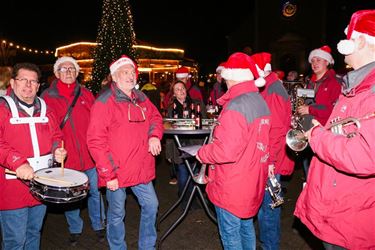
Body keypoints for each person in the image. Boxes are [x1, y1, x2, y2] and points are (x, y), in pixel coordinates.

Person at [295, 9, 375, 249]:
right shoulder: (355, 83)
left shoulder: (349, 84)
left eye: (350, 37)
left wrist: (315, 130)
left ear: (361, 40)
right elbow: (342, 130)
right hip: (338, 204)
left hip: (351, 213)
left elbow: (363, 155)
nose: (313, 62)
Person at [87, 55, 163, 249]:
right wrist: (107, 174)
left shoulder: (142, 98)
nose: (131, 76)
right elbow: (95, 141)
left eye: (132, 72)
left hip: (141, 168)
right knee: (116, 214)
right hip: (117, 172)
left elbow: (155, 117)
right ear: (115, 76)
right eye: (125, 72)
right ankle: (117, 247)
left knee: (151, 205)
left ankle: (147, 245)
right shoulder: (104, 102)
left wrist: (154, 135)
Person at [196, 52, 271, 249]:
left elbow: (226, 152)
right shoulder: (259, 101)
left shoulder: (236, 105)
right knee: (246, 228)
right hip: (251, 179)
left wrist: (202, 152)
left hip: (232, 183)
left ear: (232, 77)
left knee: (231, 236)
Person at [0, 62, 66, 249]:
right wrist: (18, 163)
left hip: (41, 184)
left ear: (38, 86)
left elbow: (56, 136)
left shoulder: (45, 108)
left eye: (33, 81)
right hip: (12, 187)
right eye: (23, 80)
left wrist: (57, 150)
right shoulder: (2, 108)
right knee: (15, 241)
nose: (28, 85)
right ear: (12, 83)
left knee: (34, 233)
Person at [41, 56, 105, 245]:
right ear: (56, 73)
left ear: (77, 73)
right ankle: (75, 228)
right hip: (65, 158)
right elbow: (45, 129)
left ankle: (99, 225)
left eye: (72, 69)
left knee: (95, 192)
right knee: (71, 197)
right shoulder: (47, 97)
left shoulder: (86, 94)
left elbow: (97, 123)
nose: (68, 72)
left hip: (90, 157)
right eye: (64, 69)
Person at [252, 52, 295, 250]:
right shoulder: (269, 87)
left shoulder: (273, 90)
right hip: (269, 157)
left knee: (269, 208)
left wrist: (269, 161)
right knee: (265, 206)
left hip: (271, 159)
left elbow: (276, 131)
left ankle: (270, 246)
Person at [297, 45, 342, 177]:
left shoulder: (334, 82)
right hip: (307, 130)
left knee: (319, 173)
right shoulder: (310, 82)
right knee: (307, 169)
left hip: (324, 131)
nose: (314, 63)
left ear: (327, 62)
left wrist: (309, 109)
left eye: (318, 60)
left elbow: (335, 110)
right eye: (312, 61)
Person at [165, 80, 207, 209]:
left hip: (196, 143)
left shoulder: (196, 104)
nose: (181, 91)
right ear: (173, 94)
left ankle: (191, 200)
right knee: (183, 176)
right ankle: (184, 198)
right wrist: (168, 152)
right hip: (180, 146)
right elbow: (168, 130)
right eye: (177, 89)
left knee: (194, 174)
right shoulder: (171, 109)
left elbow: (204, 122)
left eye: (182, 88)